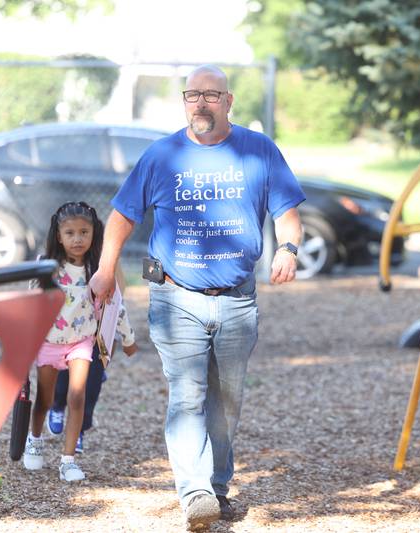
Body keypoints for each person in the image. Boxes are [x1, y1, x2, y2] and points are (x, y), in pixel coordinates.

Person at [89, 64, 304, 531]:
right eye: (192, 95)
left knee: (226, 400)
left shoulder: (258, 151)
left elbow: (287, 211)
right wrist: (106, 269)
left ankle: (218, 487)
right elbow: (122, 216)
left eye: (211, 94)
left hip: (237, 298)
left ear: (228, 101)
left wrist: (287, 248)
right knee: (187, 396)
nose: (201, 103)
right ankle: (196, 493)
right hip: (174, 296)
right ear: (184, 102)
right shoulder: (161, 156)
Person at [22, 201, 109, 482]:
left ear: (94, 234)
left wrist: (127, 338)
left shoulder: (98, 269)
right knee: (45, 400)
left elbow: (113, 305)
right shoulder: (47, 268)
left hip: (81, 342)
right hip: (49, 342)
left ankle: (68, 460)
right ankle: (34, 439)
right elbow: (32, 304)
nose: (77, 239)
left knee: (77, 395)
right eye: (70, 233)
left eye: (84, 232)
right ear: (58, 235)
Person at [46, 312, 138, 452]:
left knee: (92, 383)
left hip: (100, 330)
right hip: (72, 323)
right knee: (64, 372)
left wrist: (128, 339)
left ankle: (79, 429)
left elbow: (117, 306)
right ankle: (57, 405)